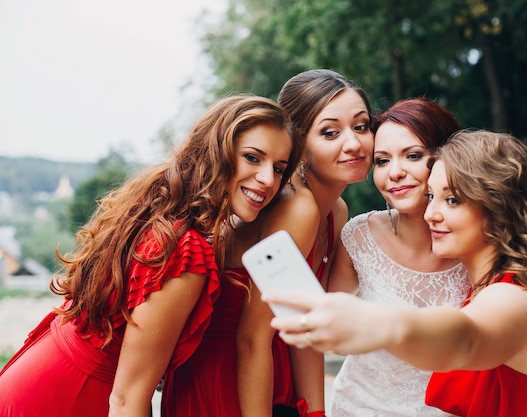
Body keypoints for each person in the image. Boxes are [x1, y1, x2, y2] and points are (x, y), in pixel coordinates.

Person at [264, 130, 527, 416]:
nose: (431, 213)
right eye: (432, 196)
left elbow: (466, 337)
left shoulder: (512, 297)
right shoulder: (515, 278)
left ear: (499, 206)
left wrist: (381, 325)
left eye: (452, 200)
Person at [0, 94, 301, 417]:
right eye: (252, 158)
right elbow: (127, 400)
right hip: (64, 400)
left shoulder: (157, 211)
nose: (269, 179)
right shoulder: (184, 250)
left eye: (279, 168)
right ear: (216, 153)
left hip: (35, 378)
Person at [160, 69, 374, 417]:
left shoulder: (335, 209)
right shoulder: (298, 207)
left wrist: (314, 411)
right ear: (299, 144)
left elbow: (305, 323)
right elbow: (251, 337)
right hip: (227, 376)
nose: (353, 143)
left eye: (361, 126)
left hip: (272, 369)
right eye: (330, 132)